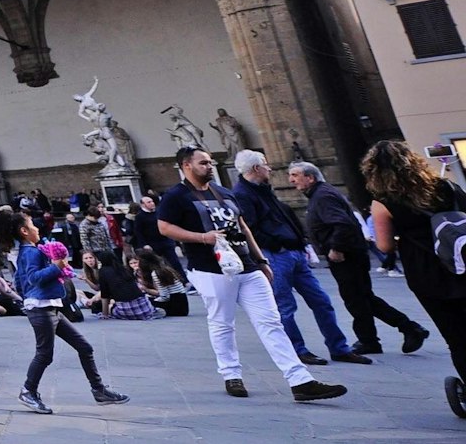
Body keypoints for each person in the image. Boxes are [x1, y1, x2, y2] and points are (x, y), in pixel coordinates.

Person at [157, 146, 345, 402]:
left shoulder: (224, 192)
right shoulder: (176, 196)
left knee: (271, 321)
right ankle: (231, 374)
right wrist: (202, 237)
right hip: (210, 268)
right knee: (223, 323)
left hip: (247, 265)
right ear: (186, 166)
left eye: (210, 162)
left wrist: (261, 259)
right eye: (203, 163)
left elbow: (243, 226)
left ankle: (300, 380)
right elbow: (165, 227)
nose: (209, 166)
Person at [360, 140, 466, 418]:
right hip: (463, 262)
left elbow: (384, 247)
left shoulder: (383, 203)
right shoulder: (445, 186)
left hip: (428, 273)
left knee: (456, 335)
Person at [228, 150, 364, 365]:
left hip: (294, 252)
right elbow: (249, 227)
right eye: (265, 164)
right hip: (277, 255)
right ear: (255, 168)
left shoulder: (263, 190)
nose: (270, 168)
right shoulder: (243, 194)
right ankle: (298, 350)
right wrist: (276, 244)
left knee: (321, 301)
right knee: (285, 306)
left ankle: (338, 347)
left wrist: (299, 242)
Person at [0, 206, 128, 416]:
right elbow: (32, 277)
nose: (36, 228)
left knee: (85, 347)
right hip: (41, 310)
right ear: (24, 231)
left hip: (50, 307)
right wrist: (56, 266)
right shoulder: (30, 252)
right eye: (32, 225)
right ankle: (28, 391)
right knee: (44, 354)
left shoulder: (34, 250)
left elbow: (20, 281)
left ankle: (99, 391)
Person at [289, 160, 429, 357]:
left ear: (310, 177)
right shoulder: (321, 194)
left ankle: (387, 334)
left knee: (356, 298)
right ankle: (386, 335)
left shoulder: (323, 196)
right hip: (351, 253)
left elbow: (342, 223)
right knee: (363, 298)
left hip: (346, 255)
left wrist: (336, 248)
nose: (291, 180)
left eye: (295, 175)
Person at [129, 248, 189, 318]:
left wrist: (150, 299)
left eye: (136, 262)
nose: (135, 265)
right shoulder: (162, 269)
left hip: (177, 307)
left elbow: (164, 297)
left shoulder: (156, 273)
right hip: (180, 304)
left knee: (142, 303)